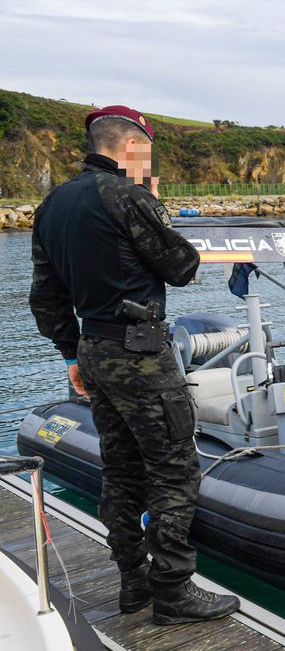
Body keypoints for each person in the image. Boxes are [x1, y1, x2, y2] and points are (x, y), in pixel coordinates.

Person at [29, 106, 239, 624]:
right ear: (129, 147)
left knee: (120, 470)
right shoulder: (127, 195)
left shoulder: (52, 204)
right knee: (174, 468)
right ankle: (172, 590)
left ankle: (133, 584)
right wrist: (154, 199)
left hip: (95, 350)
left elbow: (45, 298)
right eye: (146, 150)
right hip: (141, 351)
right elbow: (182, 266)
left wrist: (72, 353)